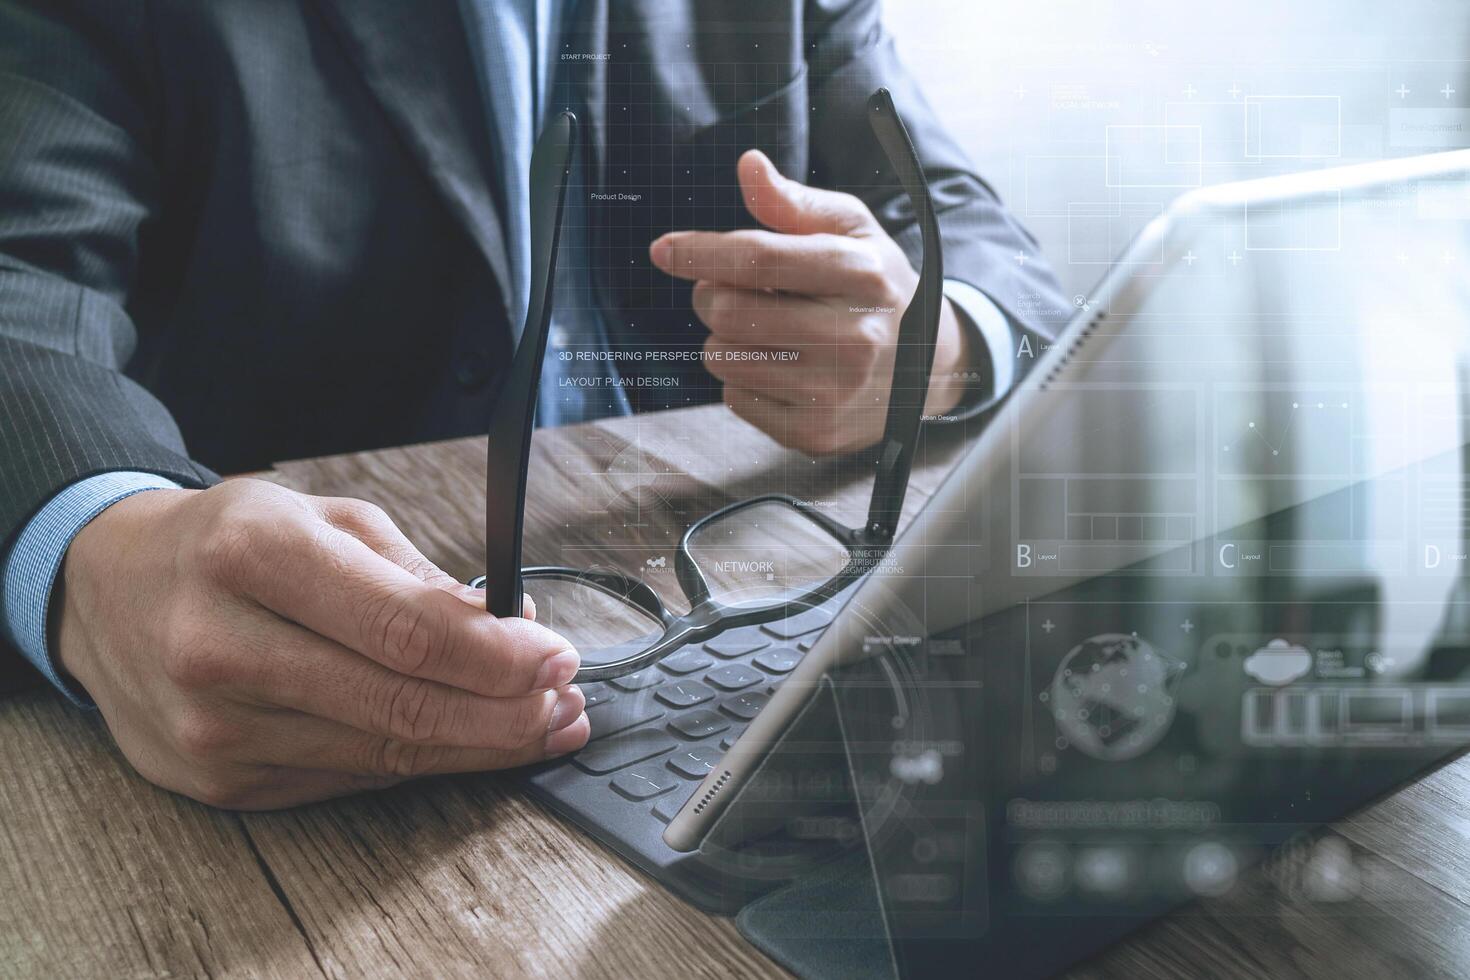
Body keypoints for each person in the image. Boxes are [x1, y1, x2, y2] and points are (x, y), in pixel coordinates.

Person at [0, 0, 1066, 808]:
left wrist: (940, 341)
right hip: (307, 700)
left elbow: (966, 227)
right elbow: (21, 289)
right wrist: (96, 541)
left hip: (745, 606)